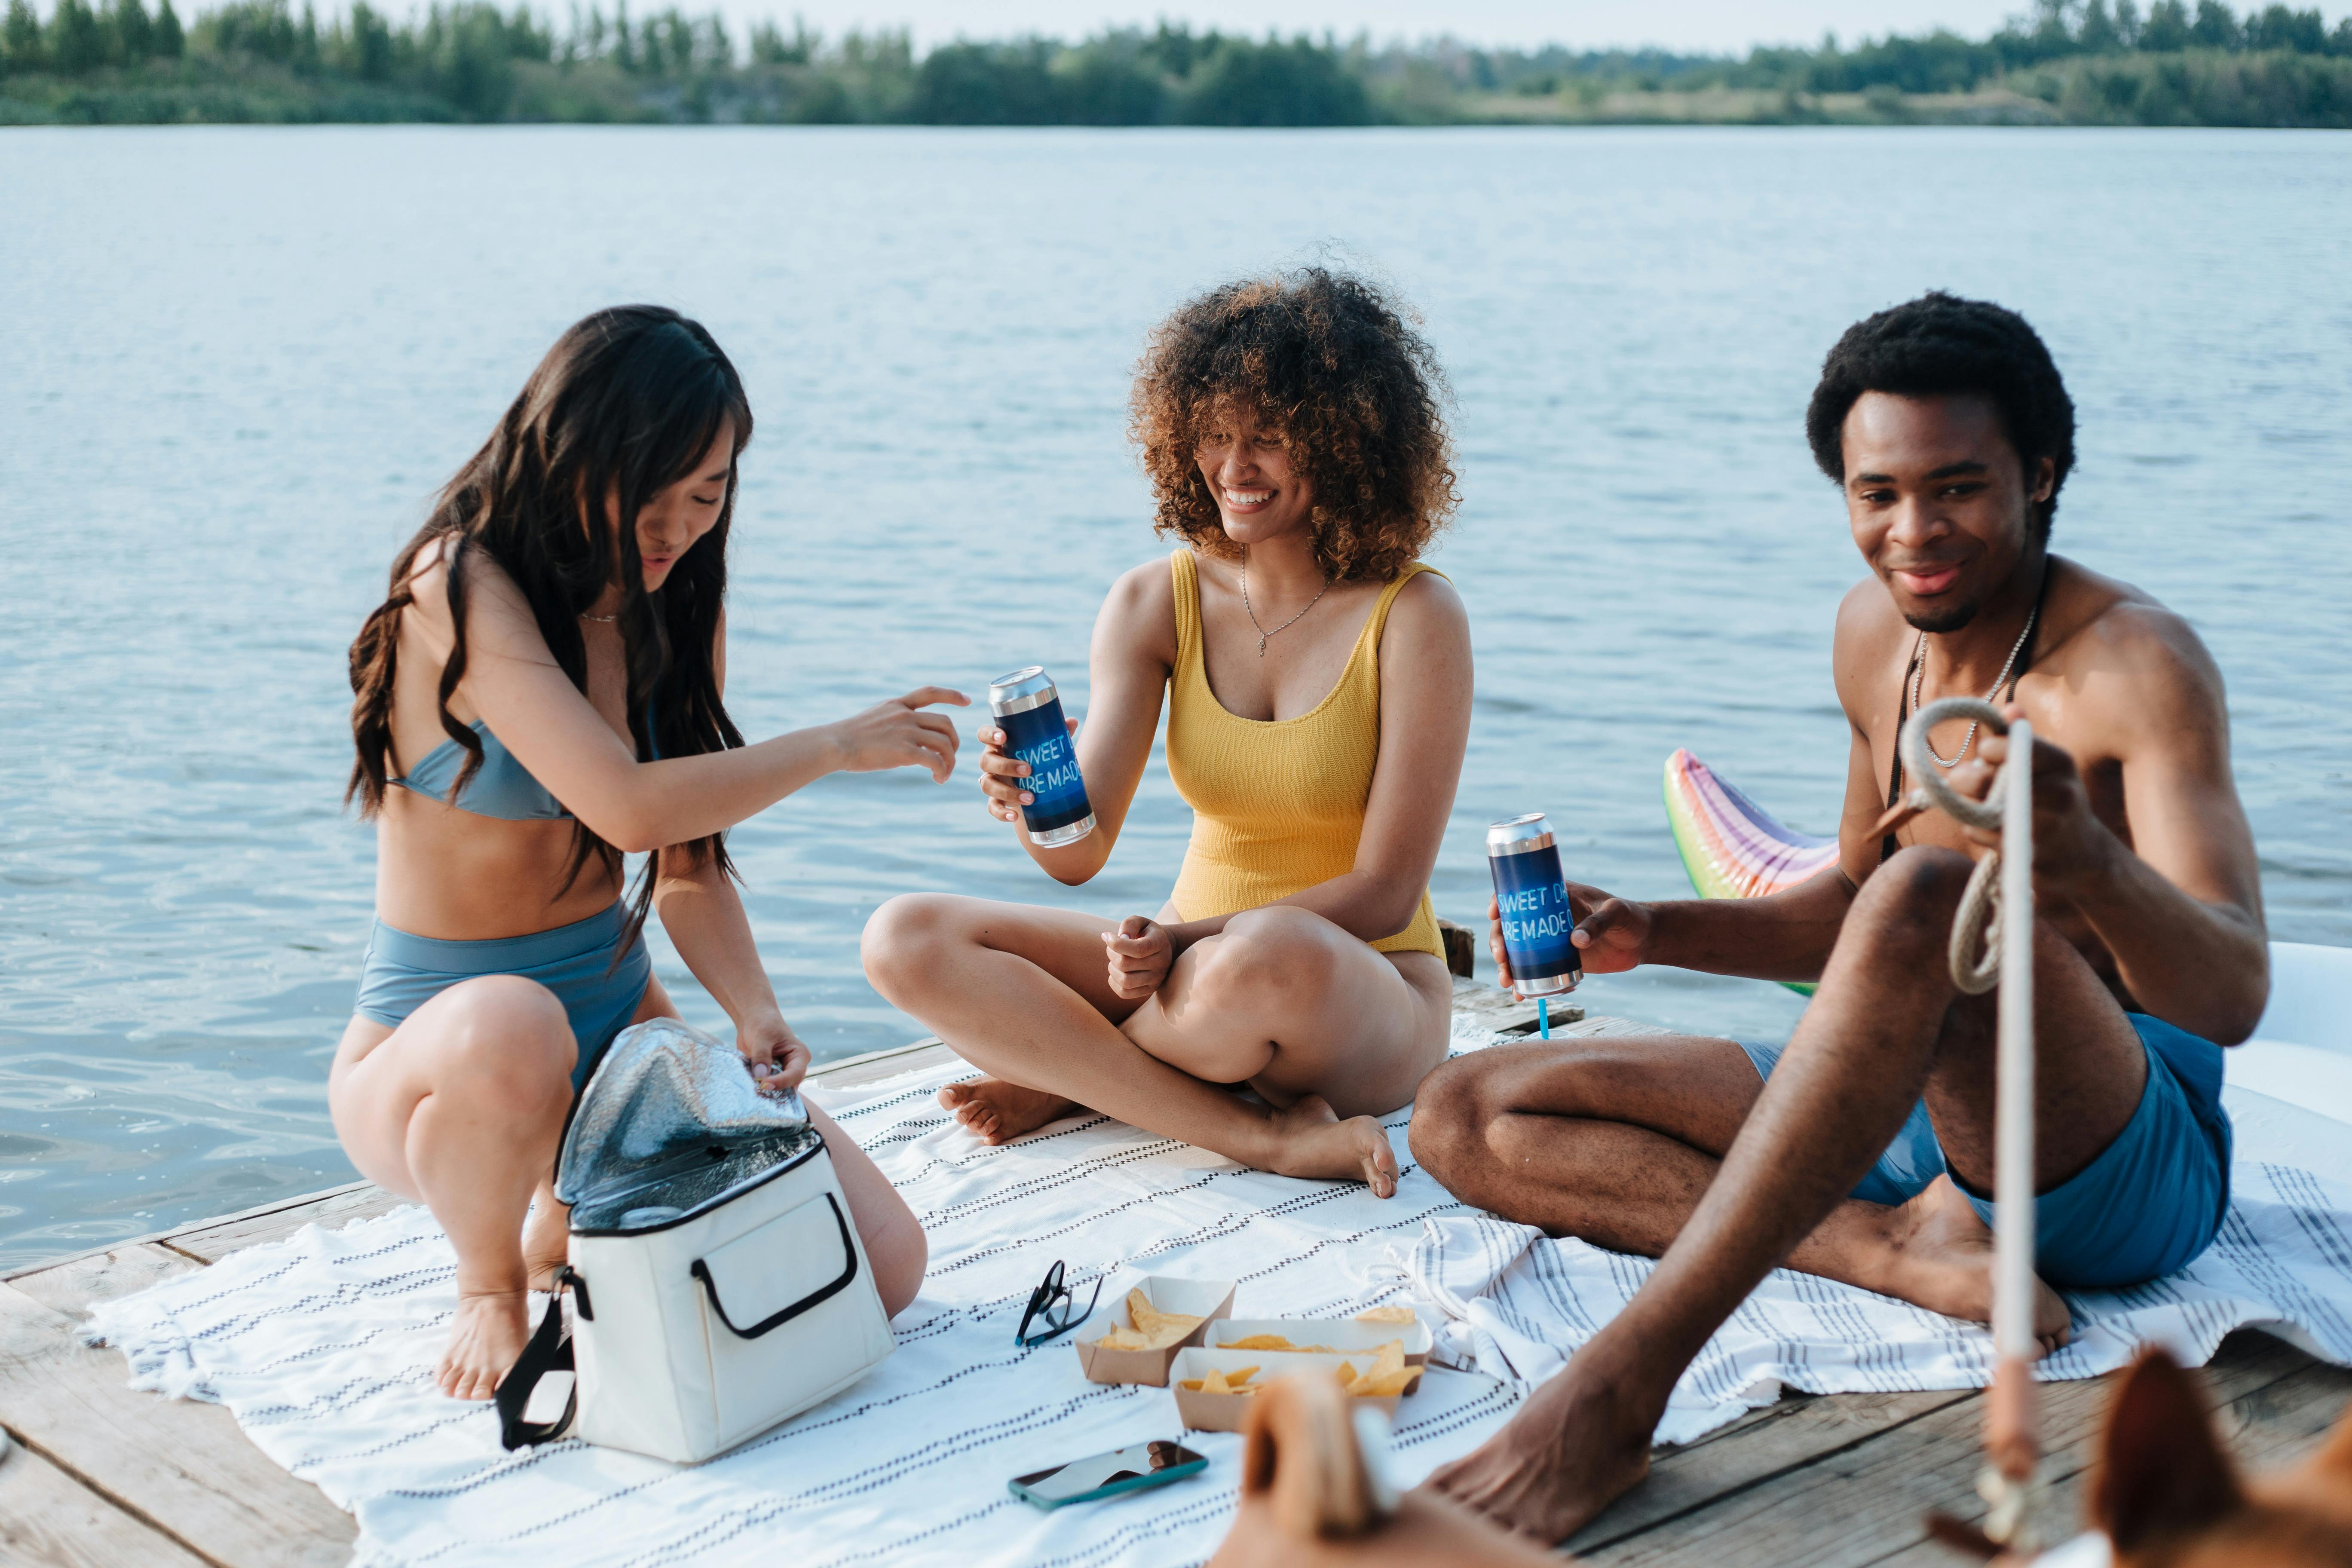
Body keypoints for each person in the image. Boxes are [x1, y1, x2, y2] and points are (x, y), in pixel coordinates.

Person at [1409, 292, 2269, 1540]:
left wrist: (2087, 860)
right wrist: (1659, 931)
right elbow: (1857, 904)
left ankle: (1615, 1390)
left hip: (2117, 1156)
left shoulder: (2138, 667)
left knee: (1938, 893)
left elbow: (2234, 991)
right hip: (1915, 1115)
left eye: (1958, 488)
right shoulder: (1878, 634)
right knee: (1468, 1111)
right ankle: (1887, 1250)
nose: (1913, 532)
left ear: (2042, 474)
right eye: (1876, 494)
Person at [336, 306, 966, 1400]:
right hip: (445, 1060)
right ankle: (490, 1282)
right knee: (515, 1021)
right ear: (578, 454)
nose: (679, 526)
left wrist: (752, 1010)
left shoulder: (674, 605)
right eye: (658, 491)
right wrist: (833, 746)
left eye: (710, 494)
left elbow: (681, 862)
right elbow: (626, 805)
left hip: (620, 1035)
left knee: (888, 1269)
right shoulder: (463, 583)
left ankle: (566, 1224)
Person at [861, 268, 1473, 1195]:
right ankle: (1261, 1135)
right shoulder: (1155, 601)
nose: (1234, 467)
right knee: (903, 937)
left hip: (1355, 987)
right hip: (1183, 973)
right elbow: (1079, 857)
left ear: (1347, 443)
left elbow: (1386, 893)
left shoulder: (1415, 614)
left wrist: (1187, 947)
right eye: (1214, 436)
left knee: (1264, 955)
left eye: (1268, 437)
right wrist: (1031, 804)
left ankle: (1081, 1078)